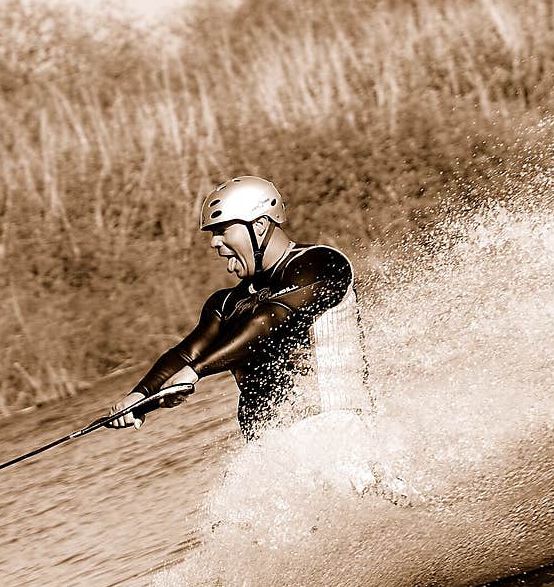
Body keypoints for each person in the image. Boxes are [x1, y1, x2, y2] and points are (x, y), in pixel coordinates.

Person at [106, 176, 372, 439]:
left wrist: (195, 372)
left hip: (340, 432)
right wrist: (140, 396)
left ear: (259, 225)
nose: (213, 243)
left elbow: (267, 320)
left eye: (222, 231)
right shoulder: (226, 304)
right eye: (212, 234)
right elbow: (187, 353)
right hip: (273, 456)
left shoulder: (320, 265)